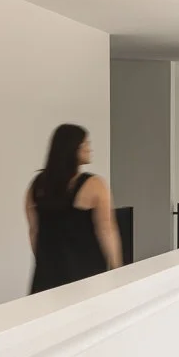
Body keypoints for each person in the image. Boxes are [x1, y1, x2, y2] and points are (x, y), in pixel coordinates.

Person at [26, 124, 122, 293]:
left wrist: (46, 263)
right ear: (74, 149)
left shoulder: (36, 186)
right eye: (86, 144)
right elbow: (107, 230)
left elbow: (34, 232)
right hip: (86, 278)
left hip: (45, 279)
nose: (90, 149)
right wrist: (118, 271)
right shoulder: (95, 185)